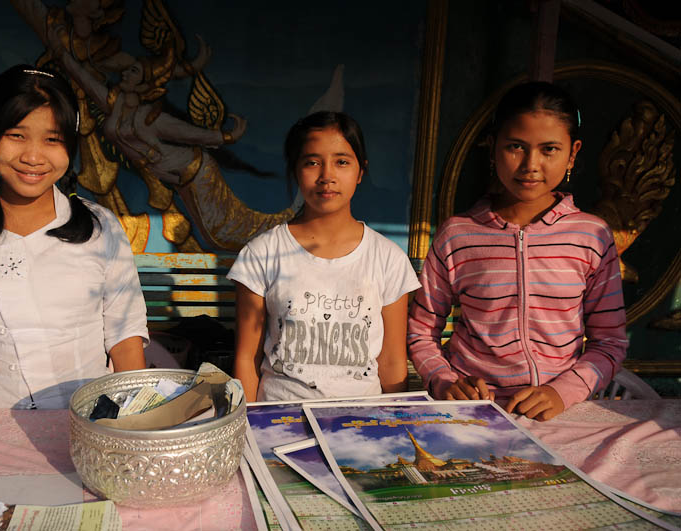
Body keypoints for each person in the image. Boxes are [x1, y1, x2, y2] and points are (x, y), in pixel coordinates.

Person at [0, 65, 149, 409]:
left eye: (52, 139)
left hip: (81, 433)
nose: (33, 157)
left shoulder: (101, 229)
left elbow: (125, 341)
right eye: (17, 135)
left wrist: (133, 436)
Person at [408, 82, 627, 421]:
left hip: (560, 415)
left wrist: (561, 392)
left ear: (573, 153)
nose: (531, 165)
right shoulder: (457, 235)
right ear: (493, 147)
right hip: (472, 414)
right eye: (515, 147)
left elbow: (610, 342)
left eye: (549, 149)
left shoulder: (592, 236)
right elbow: (421, 331)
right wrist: (444, 381)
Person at [228, 111, 421, 402]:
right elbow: (246, 359)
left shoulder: (387, 258)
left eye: (342, 162)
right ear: (296, 170)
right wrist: (252, 429)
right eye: (312, 162)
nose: (327, 176)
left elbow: (392, 362)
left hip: (361, 422)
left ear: (361, 171)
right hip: (280, 418)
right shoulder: (262, 254)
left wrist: (389, 429)